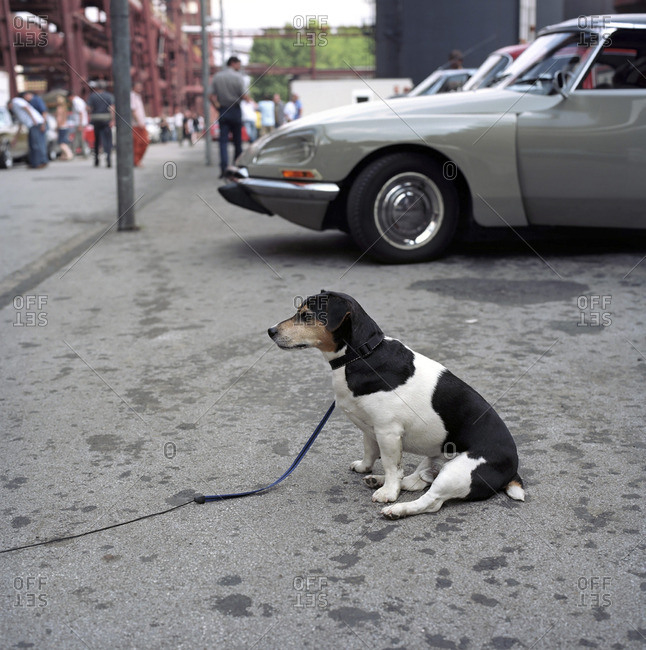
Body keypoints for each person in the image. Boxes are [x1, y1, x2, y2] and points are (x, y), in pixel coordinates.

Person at [209, 55, 246, 178]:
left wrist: (217, 107)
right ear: (233, 63)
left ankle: (224, 169)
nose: (240, 67)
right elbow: (244, 95)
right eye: (239, 64)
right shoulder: (238, 77)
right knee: (237, 142)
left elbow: (210, 95)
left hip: (223, 110)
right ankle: (236, 168)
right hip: (235, 110)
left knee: (223, 142)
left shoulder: (217, 77)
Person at [8, 92, 48, 168]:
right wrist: (15, 138)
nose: (10, 109)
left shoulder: (15, 101)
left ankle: (38, 163)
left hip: (34, 123)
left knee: (36, 144)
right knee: (32, 144)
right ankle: (34, 163)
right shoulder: (16, 110)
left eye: (9, 107)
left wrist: (34, 120)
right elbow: (20, 124)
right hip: (32, 124)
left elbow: (26, 107)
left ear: (9, 104)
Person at [87, 80, 114, 167]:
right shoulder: (109, 96)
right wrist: (112, 120)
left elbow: (88, 108)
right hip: (106, 119)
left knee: (97, 140)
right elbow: (112, 108)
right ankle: (108, 159)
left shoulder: (92, 96)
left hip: (96, 120)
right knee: (107, 140)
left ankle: (96, 160)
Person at [130, 81, 149, 167]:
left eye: (140, 86)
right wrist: (139, 122)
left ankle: (137, 160)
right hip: (136, 125)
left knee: (144, 142)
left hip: (140, 124)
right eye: (138, 86)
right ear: (133, 87)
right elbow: (133, 110)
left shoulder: (138, 96)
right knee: (138, 143)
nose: (140, 88)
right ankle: (136, 161)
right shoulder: (132, 96)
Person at [69, 90, 89, 157]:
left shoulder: (76, 101)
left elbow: (80, 113)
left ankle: (83, 152)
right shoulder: (80, 100)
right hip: (81, 122)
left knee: (80, 137)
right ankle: (78, 152)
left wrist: (80, 124)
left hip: (80, 122)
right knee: (78, 137)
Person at [54, 95, 74, 160]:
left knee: (61, 143)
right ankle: (63, 156)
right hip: (65, 125)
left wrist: (57, 126)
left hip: (61, 126)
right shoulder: (64, 108)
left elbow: (59, 119)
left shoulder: (59, 109)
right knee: (64, 141)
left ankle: (69, 154)